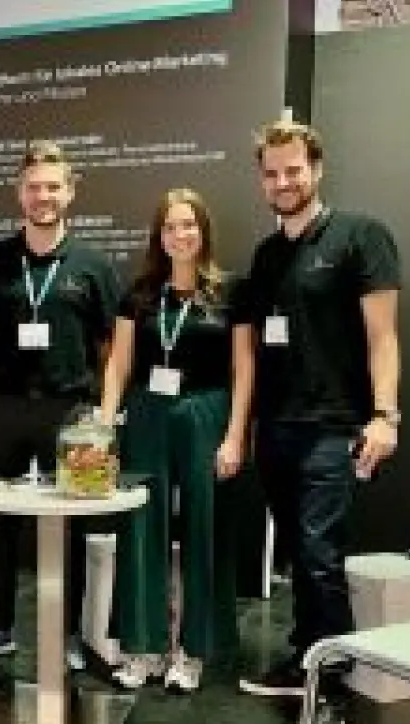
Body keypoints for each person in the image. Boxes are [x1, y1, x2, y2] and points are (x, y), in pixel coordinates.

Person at [232, 121, 401, 724]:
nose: (282, 182)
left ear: (317, 168)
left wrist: (386, 416)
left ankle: (330, 686)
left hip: (335, 429)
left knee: (320, 554)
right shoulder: (267, 254)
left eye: (293, 170)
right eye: (272, 173)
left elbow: (384, 336)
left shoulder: (362, 236)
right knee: (299, 557)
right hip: (277, 427)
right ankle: (306, 655)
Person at [0, 141, 121, 670]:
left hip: (70, 413)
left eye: (53, 187)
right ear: (19, 194)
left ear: (70, 192)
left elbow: (109, 345)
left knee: (70, 525)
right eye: (34, 188)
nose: (43, 196)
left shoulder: (93, 265)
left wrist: (99, 407)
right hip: (6, 409)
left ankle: (70, 635)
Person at [98, 188, 254, 691]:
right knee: (142, 527)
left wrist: (234, 436)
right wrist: (105, 424)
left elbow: (243, 368)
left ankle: (193, 650)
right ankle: (144, 647)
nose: (179, 234)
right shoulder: (138, 294)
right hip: (146, 413)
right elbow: (119, 364)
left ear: (203, 231)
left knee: (205, 530)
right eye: (170, 226)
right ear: (158, 235)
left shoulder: (230, 292)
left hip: (206, 411)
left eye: (188, 225)